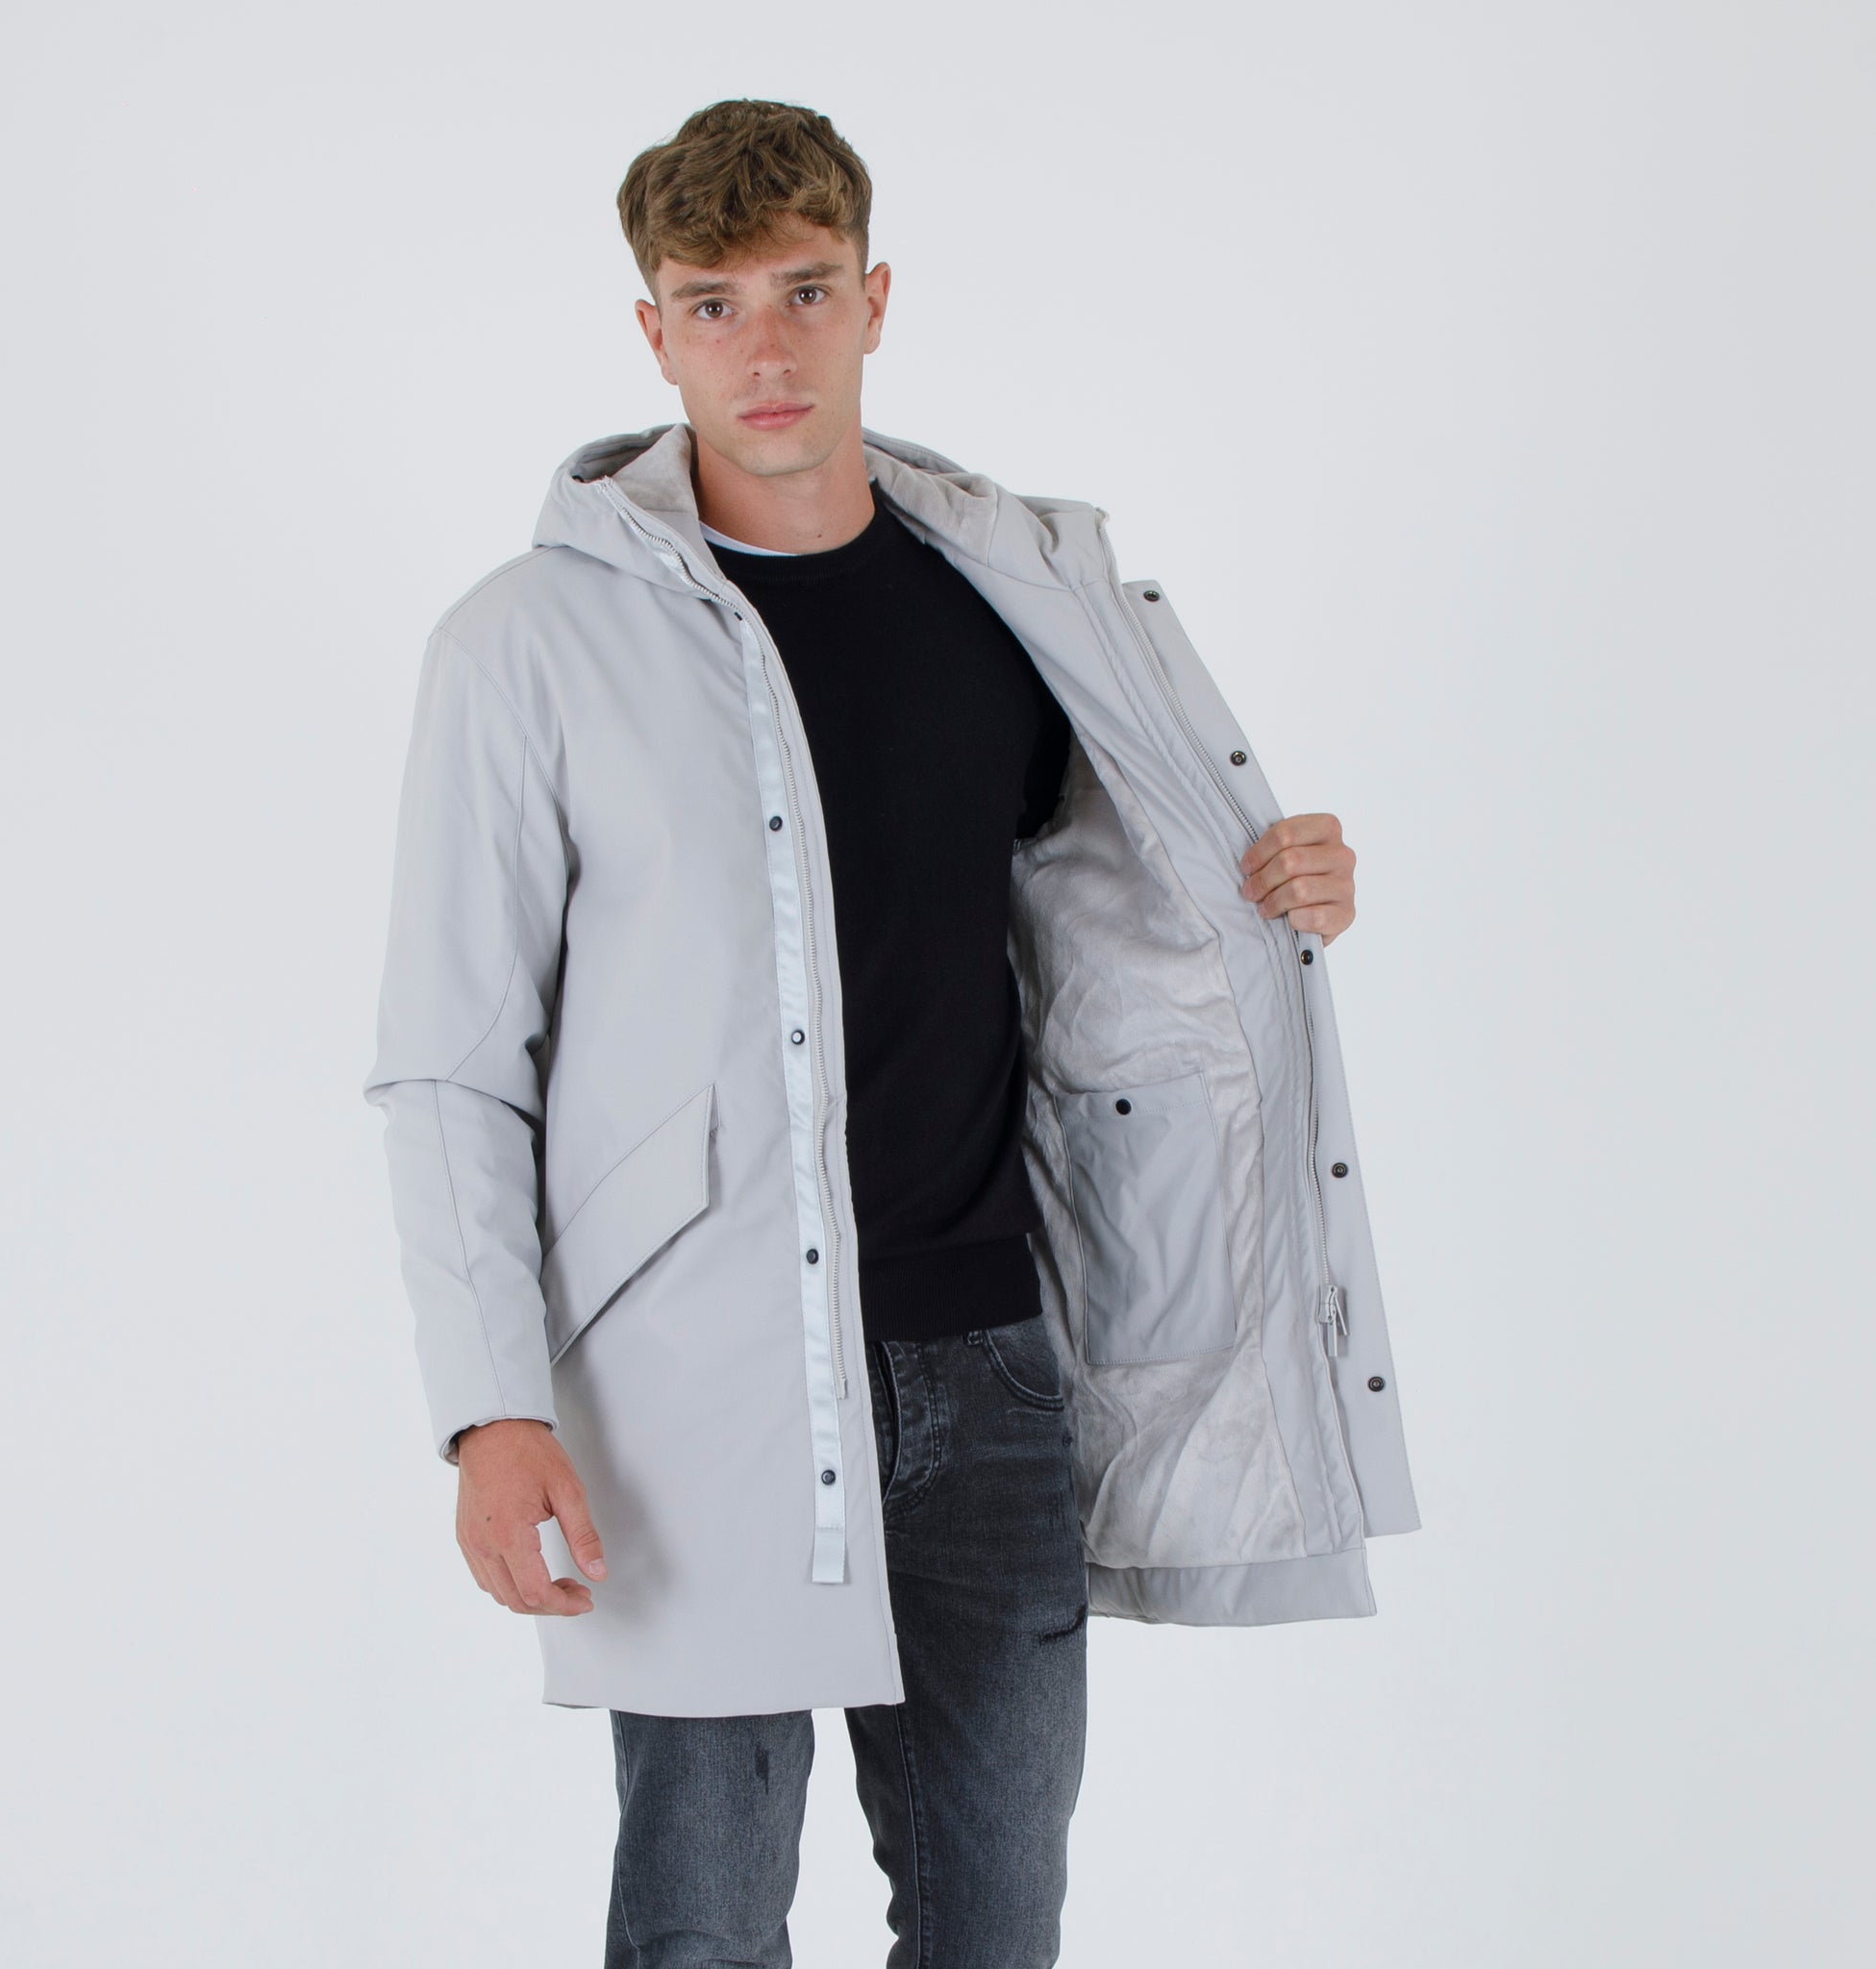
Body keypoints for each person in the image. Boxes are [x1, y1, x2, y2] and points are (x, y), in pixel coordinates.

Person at [364, 96, 1418, 1969]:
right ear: (652, 333)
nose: (764, 347)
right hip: (687, 1388)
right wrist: (491, 1407)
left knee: (995, 1925)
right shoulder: (525, 646)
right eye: (712, 305)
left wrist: (1283, 882)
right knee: (702, 1925)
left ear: (875, 298)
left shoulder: (1015, 601)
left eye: (804, 290)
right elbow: (453, 1061)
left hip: (990, 1366)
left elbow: (1123, 918)